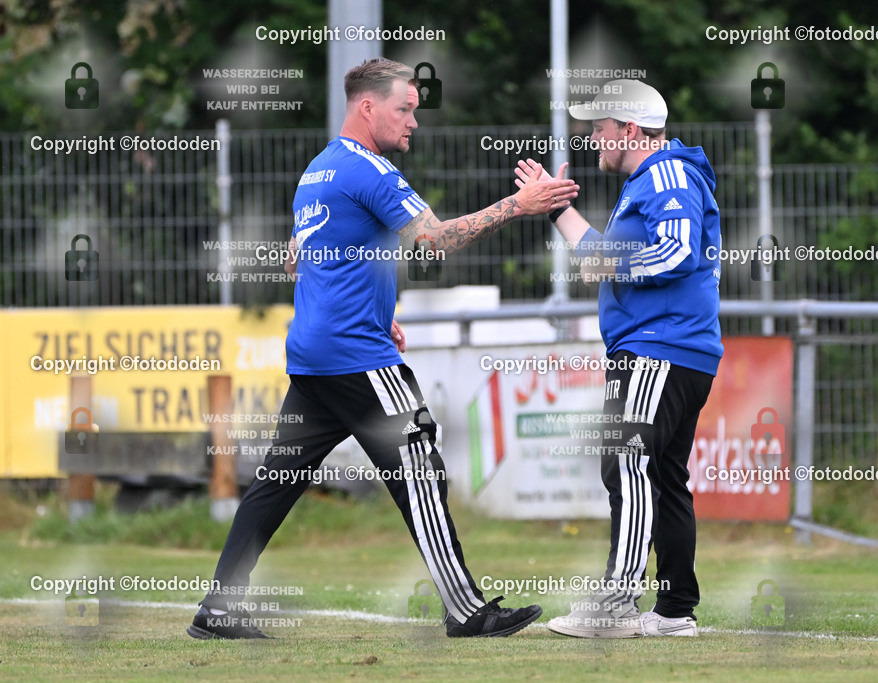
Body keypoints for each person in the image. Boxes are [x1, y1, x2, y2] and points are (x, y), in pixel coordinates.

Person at [188, 57, 578, 640]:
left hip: (314, 358)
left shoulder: (317, 171)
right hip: (357, 357)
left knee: (276, 483)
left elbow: (299, 259)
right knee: (420, 471)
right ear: (368, 107)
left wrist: (374, 306)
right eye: (405, 109)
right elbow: (434, 241)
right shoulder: (371, 170)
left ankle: (219, 609)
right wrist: (517, 206)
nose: (413, 121)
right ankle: (467, 610)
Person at [516, 79, 722, 638]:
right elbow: (602, 254)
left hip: (658, 349)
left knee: (624, 463)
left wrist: (613, 265)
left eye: (599, 128)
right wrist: (557, 208)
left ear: (630, 129)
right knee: (662, 476)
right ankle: (674, 611)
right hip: (669, 350)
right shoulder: (649, 180)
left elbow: (676, 252)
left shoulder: (667, 172)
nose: (592, 138)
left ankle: (615, 604)